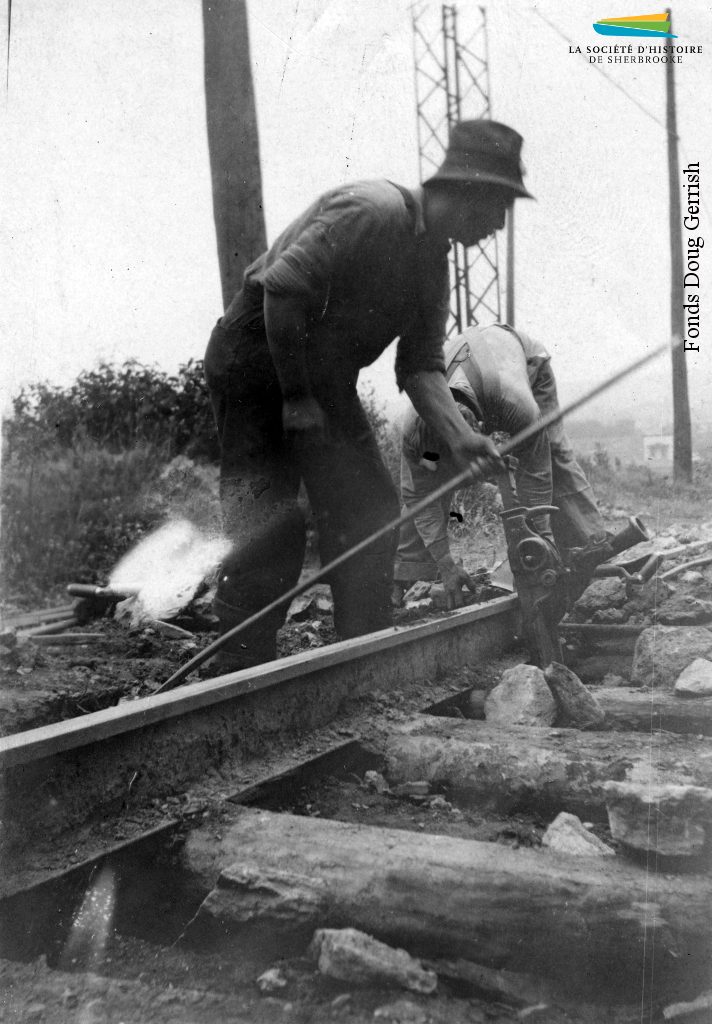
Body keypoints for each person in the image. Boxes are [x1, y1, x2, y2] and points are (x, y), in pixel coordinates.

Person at [204, 121, 533, 672]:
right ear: (470, 194)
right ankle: (239, 667)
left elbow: (422, 365)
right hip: (256, 363)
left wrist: (461, 437)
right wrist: (296, 399)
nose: (498, 227)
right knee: (269, 520)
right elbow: (282, 291)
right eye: (499, 208)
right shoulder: (372, 211)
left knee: (369, 509)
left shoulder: (433, 266)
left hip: (322, 380)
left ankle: (360, 658)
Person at [392, 322, 607, 609]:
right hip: (477, 368)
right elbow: (419, 496)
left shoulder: (516, 405)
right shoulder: (414, 430)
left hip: (525, 364)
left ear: (480, 430)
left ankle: (593, 547)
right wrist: (446, 564)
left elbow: (536, 477)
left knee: (555, 454)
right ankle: (402, 576)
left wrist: (537, 552)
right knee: (425, 487)